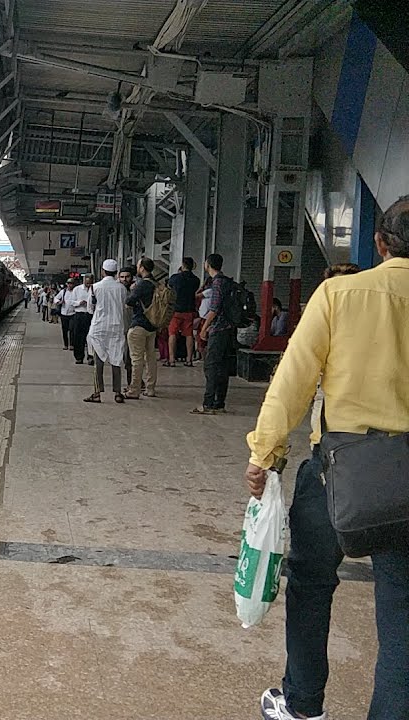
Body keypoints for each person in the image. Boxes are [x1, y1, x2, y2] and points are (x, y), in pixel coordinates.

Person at [246, 197, 409, 720]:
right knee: (402, 613)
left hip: (340, 467)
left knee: (312, 580)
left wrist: (265, 453)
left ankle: (302, 703)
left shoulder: (339, 294)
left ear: (380, 245)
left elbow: (293, 379)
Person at [192, 253, 235, 415]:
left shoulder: (217, 283)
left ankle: (208, 403)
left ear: (208, 265)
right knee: (223, 367)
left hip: (218, 330)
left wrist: (204, 328)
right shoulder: (227, 282)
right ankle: (219, 402)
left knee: (210, 366)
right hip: (229, 330)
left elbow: (214, 309)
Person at [84, 259, 128, 404]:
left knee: (98, 361)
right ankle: (118, 393)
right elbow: (124, 305)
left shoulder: (95, 287)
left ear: (103, 271)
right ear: (116, 272)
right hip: (116, 327)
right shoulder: (122, 288)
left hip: (99, 328)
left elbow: (90, 309)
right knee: (116, 359)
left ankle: (97, 393)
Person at [124, 257, 159, 399]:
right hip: (152, 325)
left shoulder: (142, 284)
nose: (137, 268)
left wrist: (133, 290)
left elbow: (129, 301)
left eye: (138, 266)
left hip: (139, 324)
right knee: (151, 357)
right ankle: (150, 388)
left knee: (136, 359)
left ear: (142, 268)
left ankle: (134, 389)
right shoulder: (156, 283)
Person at [167, 257, 200, 367]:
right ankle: (189, 359)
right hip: (189, 310)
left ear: (182, 265)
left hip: (176, 310)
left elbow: (169, 286)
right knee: (189, 335)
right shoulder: (196, 280)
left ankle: (171, 360)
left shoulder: (175, 278)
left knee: (172, 333)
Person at [69, 274, 94, 364]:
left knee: (91, 336)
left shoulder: (95, 288)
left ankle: (91, 356)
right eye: (87, 282)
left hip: (90, 315)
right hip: (79, 314)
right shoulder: (77, 289)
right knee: (78, 337)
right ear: (83, 280)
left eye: (90, 282)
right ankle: (79, 357)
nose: (88, 284)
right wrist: (79, 302)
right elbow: (71, 302)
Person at [118, 267, 135, 384]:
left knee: (131, 357)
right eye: (122, 277)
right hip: (119, 327)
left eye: (127, 276)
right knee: (124, 356)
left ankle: (132, 382)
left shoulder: (136, 290)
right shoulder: (116, 290)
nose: (124, 279)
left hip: (133, 327)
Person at [55, 277, 77, 350]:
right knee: (64, 330)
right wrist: (59, 302)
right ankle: (65, 344)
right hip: (64, 314)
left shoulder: (76, 292)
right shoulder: (63, 291)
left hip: (73, 314)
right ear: (67, 284)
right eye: (69, 284)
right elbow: (56, 298)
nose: (70, 285)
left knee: (72, 329)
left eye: (71, 284)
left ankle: (72, 344)